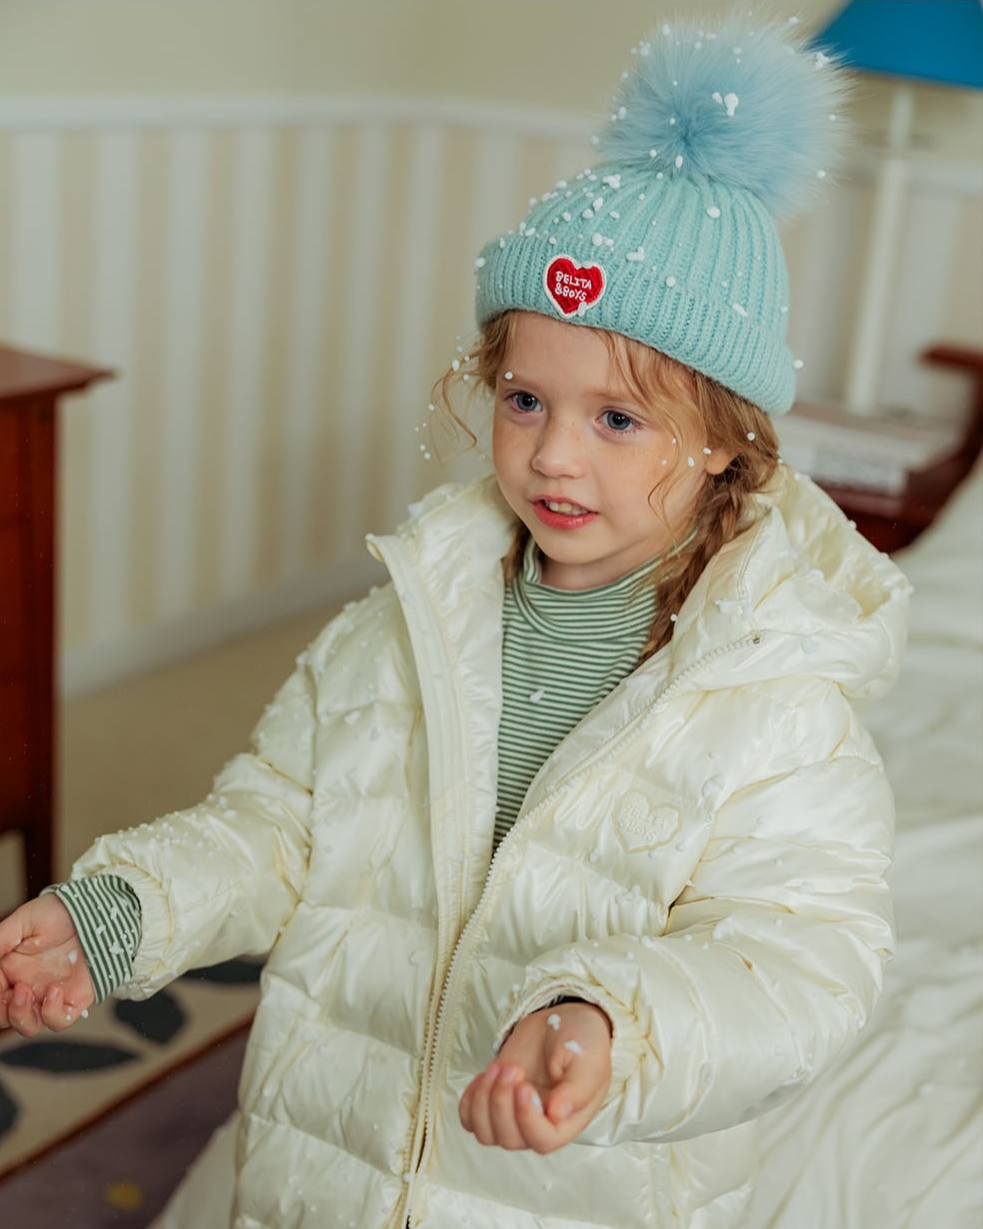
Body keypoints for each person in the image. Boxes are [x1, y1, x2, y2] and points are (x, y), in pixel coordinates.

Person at [0, 15, 910, 1229]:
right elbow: (278, 825)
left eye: (618, 419)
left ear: (724, 439)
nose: (550, 454)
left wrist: (613, 1027)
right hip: (323, 1162)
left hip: (561, 1186)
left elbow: (802, 965)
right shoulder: (401, 626)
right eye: (526, 397)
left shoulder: (779, 702)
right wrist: (126, 911)